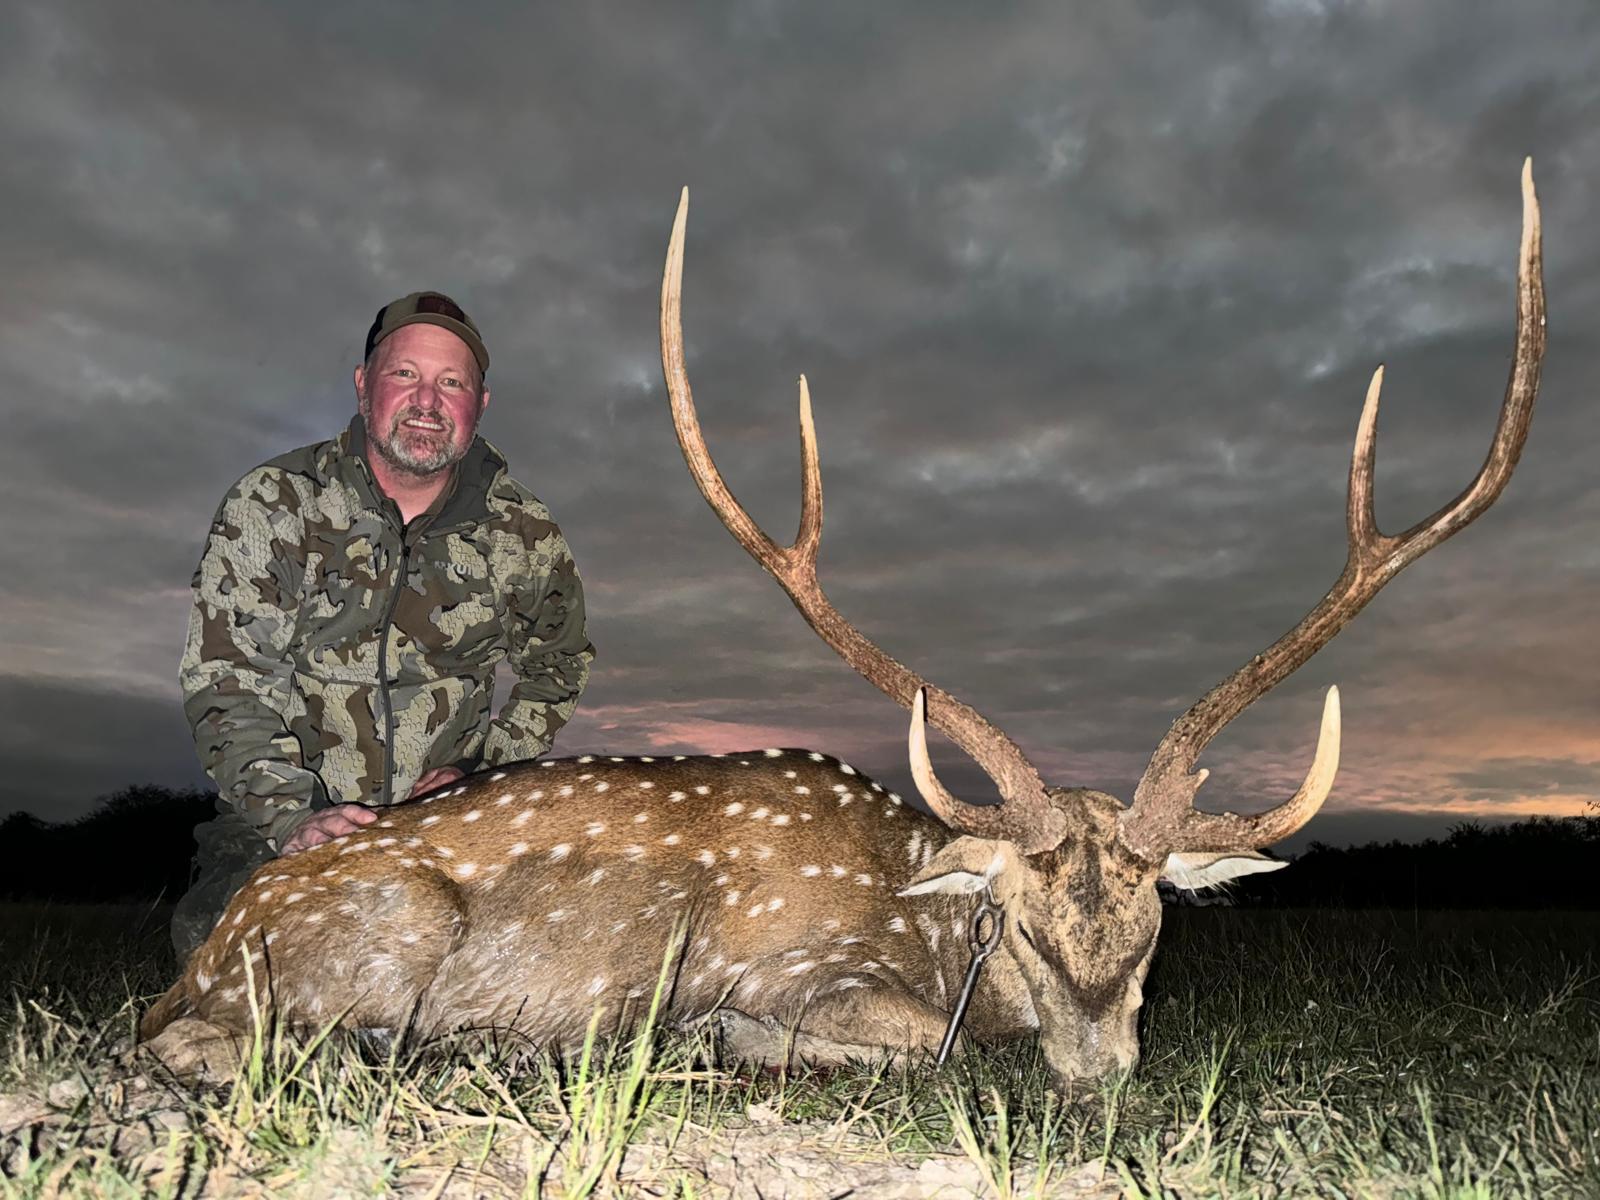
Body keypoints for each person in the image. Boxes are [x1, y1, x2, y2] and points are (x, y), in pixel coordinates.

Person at [170, 291, 594, 958]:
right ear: (365, 385)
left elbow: (558, 667)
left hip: (455, 825)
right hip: (285, 821)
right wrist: (293, 818)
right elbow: (227, 680)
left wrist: (483, 771)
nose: (427, 401)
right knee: (236, 964)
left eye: (451, 383)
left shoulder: (524, 531)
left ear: (479, 404)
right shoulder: (274, 503)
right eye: (405, 373)